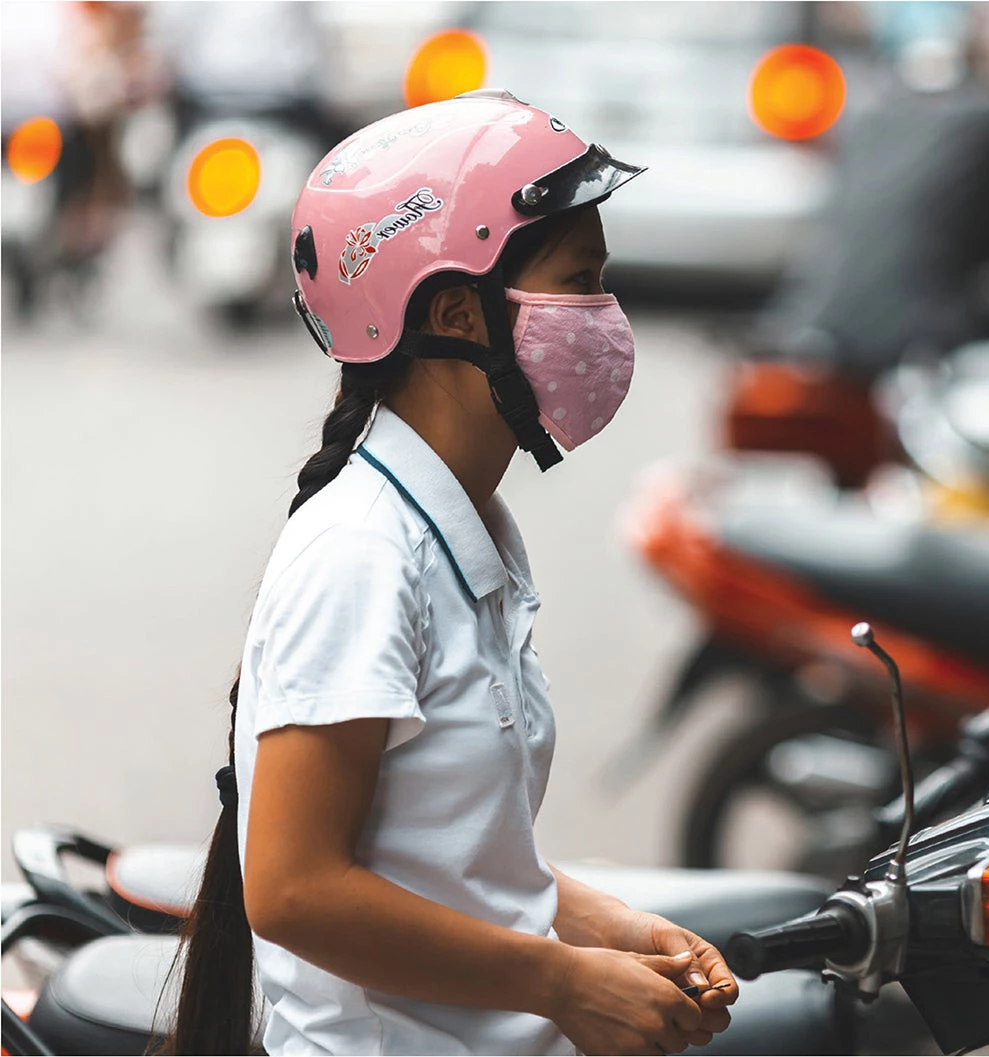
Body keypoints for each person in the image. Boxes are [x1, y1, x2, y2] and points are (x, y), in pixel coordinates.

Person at [161, 90, 737, 1056]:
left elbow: (445, 857)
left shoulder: (466, 526)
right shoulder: (361, 552)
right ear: (457, 311)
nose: (605, 315)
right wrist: (562, 980)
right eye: (579, 279)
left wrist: (599, 926)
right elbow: (297, 888)